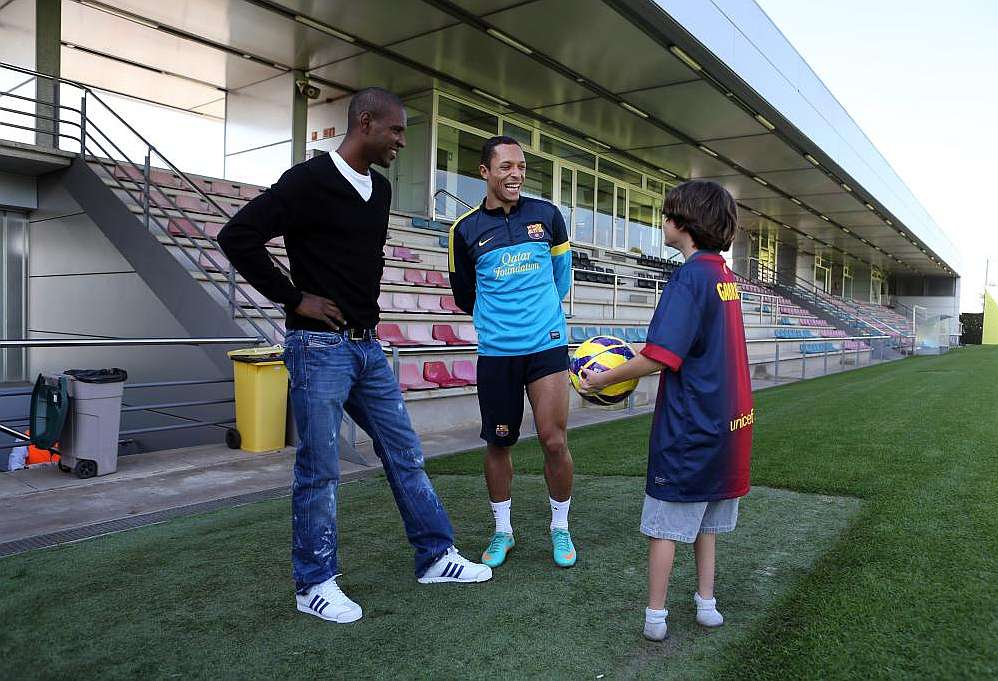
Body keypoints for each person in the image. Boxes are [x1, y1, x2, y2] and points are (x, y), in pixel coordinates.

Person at [218, 87, 491, 625]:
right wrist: (295, 298)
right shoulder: (308, 181)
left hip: (367, 347)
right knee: (320, 469)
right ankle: (314, 582)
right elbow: (238, 235)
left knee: (404, 452)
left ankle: (435, 556)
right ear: (365, 122)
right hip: (317, 348)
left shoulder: (382, 190)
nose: (402, 141)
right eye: (396, 130)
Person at [578, 180, 753, 642]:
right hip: (729, 427)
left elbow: (658, 357)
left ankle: (655, 616)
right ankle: (706, 604)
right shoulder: (726, 278)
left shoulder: (689, 278)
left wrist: (601, 379)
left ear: (683, 224)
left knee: (666, 526)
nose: (661, 222)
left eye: (665, 214)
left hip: (690, 427)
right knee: (705, 525)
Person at [447, 135, 576, 569]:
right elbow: (465, 294)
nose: (515, 174)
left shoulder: (547, 216)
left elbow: (561, 278)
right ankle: (503, 531)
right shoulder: (463, 231)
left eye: (520, 166)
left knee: (553, 439)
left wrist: (540, 318)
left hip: (546, 344)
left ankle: (560, 528)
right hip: (498, 352)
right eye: (504, 167)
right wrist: (502, 324)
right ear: (484, 172)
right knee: (499, 442)